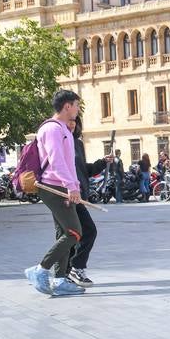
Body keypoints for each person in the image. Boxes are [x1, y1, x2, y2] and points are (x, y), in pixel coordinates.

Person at [23, 90, 87, 297]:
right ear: (67, 106)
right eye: (76, 105)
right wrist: (71, 186)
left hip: (61, 187)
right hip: (53, 187)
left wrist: (74, 185)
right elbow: (57, 161)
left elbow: (69, 164)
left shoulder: (63, 129)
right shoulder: (52, 129)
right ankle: (40, 269)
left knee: (63, 233)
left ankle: (60, 280)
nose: (78, 109)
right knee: (74, 232)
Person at [67, 115, 105, 285]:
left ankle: (66, 272)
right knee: (85, 232)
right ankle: (73, 269)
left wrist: (102, 162)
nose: (72, 124)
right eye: (69, 120)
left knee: (75, 234)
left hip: (78, 195)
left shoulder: (78, 144)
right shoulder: (59, 141)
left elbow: (84, 170)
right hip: (64, 195)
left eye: (75, 121)